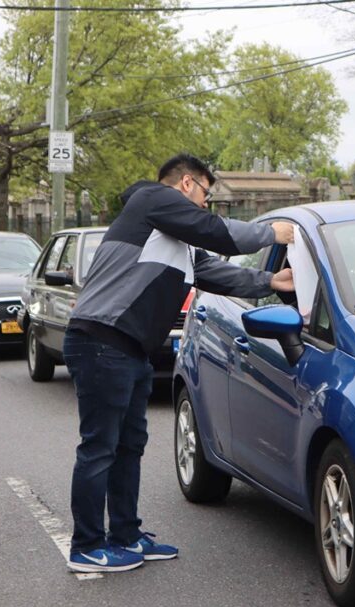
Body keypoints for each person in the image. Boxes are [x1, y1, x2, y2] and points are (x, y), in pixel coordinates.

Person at [63, 153, 294, 573]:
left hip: (129, 348)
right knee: (100, 447)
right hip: (101, 341)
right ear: (187, 184)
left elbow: (212, 271)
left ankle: (126, 535)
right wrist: (269, 233)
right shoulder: (153, 201)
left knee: (129, 445)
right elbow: (216, 232)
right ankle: (86, 546)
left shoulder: (174, 238)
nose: (206, 204)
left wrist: (269, 282)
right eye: (206, 193)